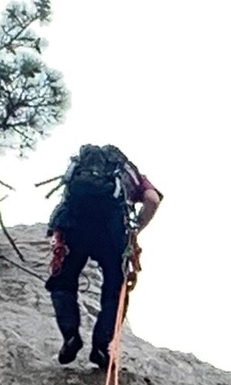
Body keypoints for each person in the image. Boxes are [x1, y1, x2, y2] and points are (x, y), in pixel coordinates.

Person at [43, 145, 162, 369]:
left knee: (63, 283)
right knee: (115, 291)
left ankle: (70, 336)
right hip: (112, 233)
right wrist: (136, 228)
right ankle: (100, 346)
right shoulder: (132, 175)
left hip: (75, 227)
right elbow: (152, 200)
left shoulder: (78, 169)